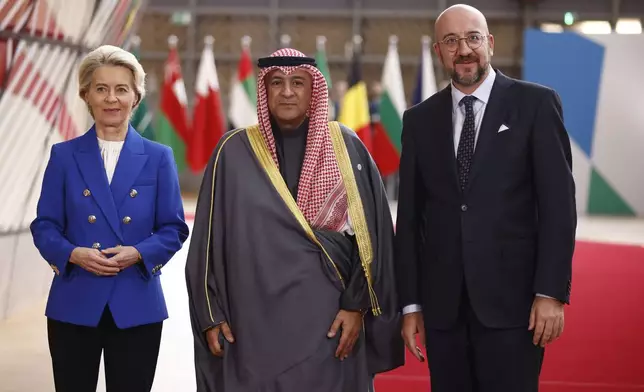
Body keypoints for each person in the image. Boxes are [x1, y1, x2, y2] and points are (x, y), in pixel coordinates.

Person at [185, 48, 404, 391]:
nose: (287, 91)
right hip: (251, 326)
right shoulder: (233, 151)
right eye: (277, 83)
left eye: (297, 82)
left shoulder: (346, 147)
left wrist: (357, 306)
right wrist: (210, 315)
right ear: (265, 90)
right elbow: (206, 244)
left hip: (330, 322)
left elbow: (373, 237)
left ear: (313, 89)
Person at [395, 4, 576, 392]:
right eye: (451, 40)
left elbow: (559, 208)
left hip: (515, 308)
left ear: (490, 44)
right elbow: (409, 219)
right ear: (438, 52)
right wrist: (410, 305)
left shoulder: (536, 105)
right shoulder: (419, 120)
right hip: (444, 313)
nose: (464, 49)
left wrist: (551, 293)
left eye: (473, 37)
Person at [30, 45, 189, 392]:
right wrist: (72, 254)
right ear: (86, 95)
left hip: (136, 301)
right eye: (101, 89)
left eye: (121, 89)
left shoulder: (159, 157)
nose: (111, 98)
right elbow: (45, 225)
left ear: (136, 96)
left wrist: (139, 253)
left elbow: (174, 228)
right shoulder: (63, 155)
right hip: (74, 300)